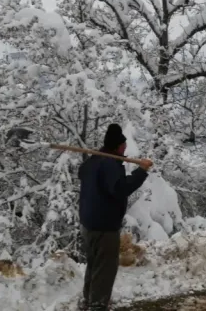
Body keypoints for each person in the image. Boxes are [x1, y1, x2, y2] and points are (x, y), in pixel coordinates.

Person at [77, 124, 152, 311]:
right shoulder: (109, 164)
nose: (126, 148)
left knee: (94, 265)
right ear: (118, 146)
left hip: (88, 224)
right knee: (105, 268)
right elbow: (120, 189)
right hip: (104, 226)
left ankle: (88, 300)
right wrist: (141, 172)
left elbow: (82, 173)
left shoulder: (92, 162)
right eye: (124, 145)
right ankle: (98, 305)